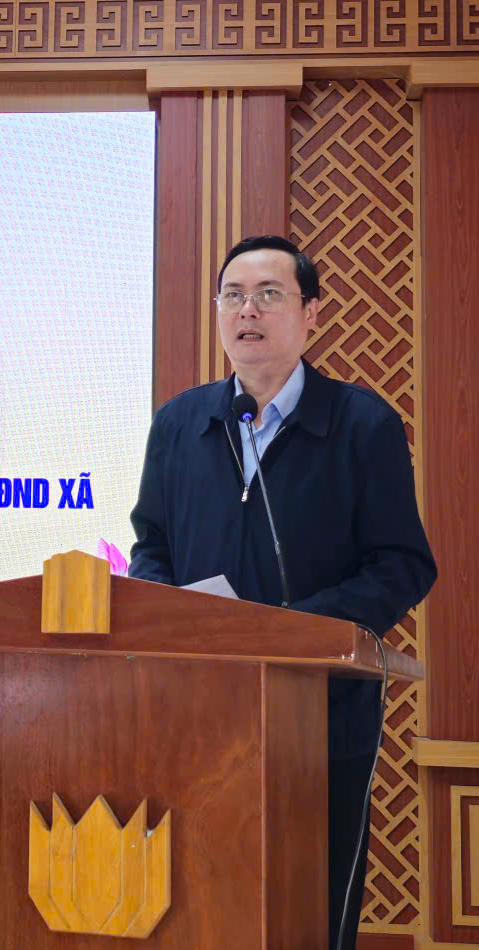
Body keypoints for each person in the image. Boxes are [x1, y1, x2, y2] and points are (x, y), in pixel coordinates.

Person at [129, 234, 435, 950]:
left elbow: (401, 563)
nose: (248, 310)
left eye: (269, 294)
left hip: (317, 712)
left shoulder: (361, 424)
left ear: (310, 315)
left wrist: (296, 629)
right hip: (198, 706)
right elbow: (151, 547)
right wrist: (164, 614)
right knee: (200, 899)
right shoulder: (179, 423)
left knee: (308, 903)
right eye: (233, 296)